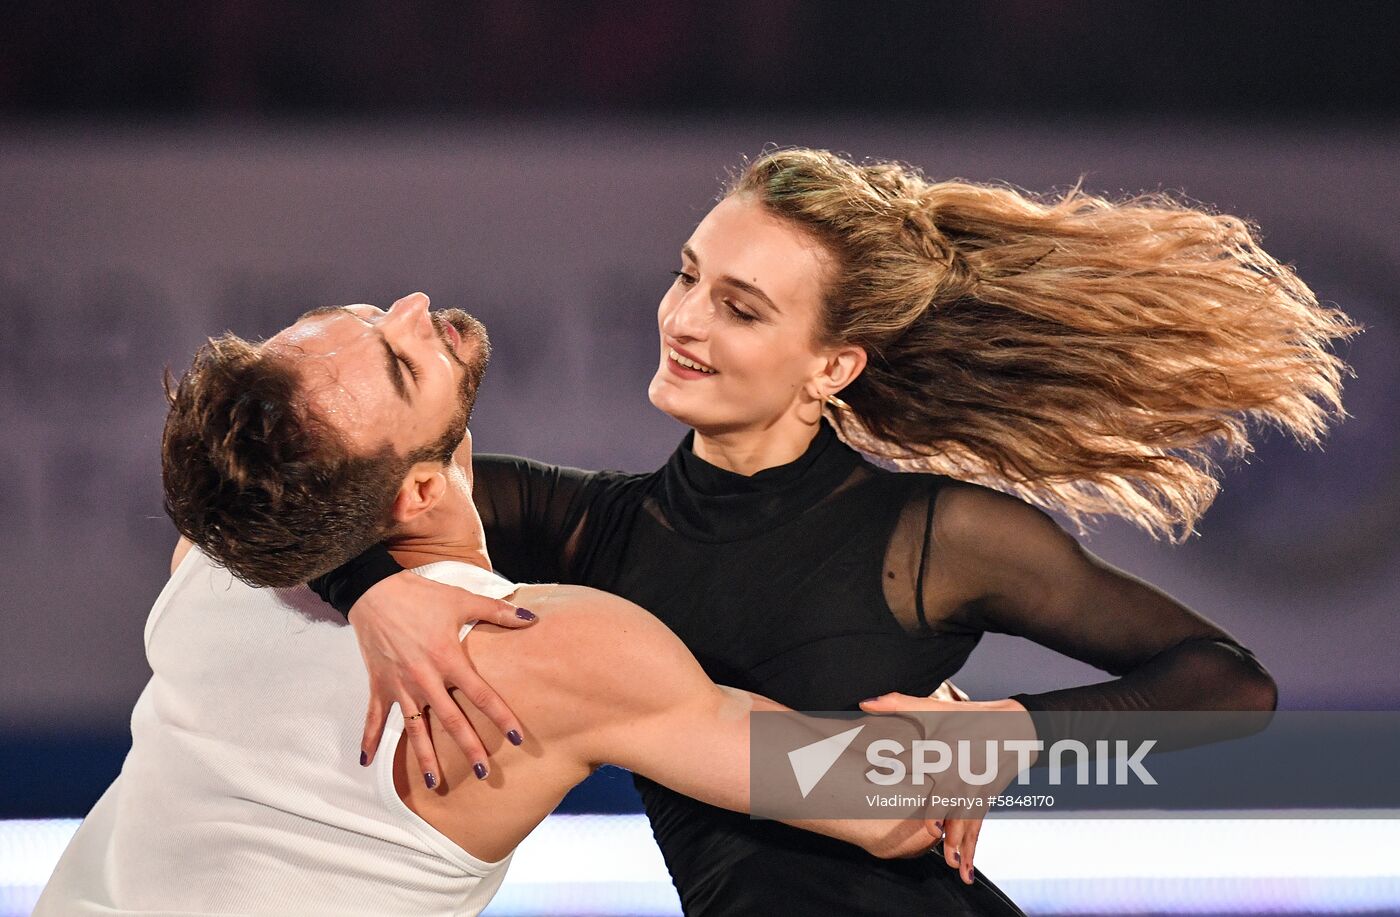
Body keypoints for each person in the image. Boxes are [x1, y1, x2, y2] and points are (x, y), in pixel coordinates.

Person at [316, 149, 1357, 915]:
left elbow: (1228, 686)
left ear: (831, 366)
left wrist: (1009, 737)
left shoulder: (929, 536)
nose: (683, 320)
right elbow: (295, 497)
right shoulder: (581, 526)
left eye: (739, 306)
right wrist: (376, 590)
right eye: (687, 275)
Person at [36, 296, 969, 917]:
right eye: (402, 366)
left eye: (363, 316)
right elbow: (887, 806)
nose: (410, 308)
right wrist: (977, 736)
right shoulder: (535, 650)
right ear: (413, 497)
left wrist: (369, 590)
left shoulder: (216, 555)